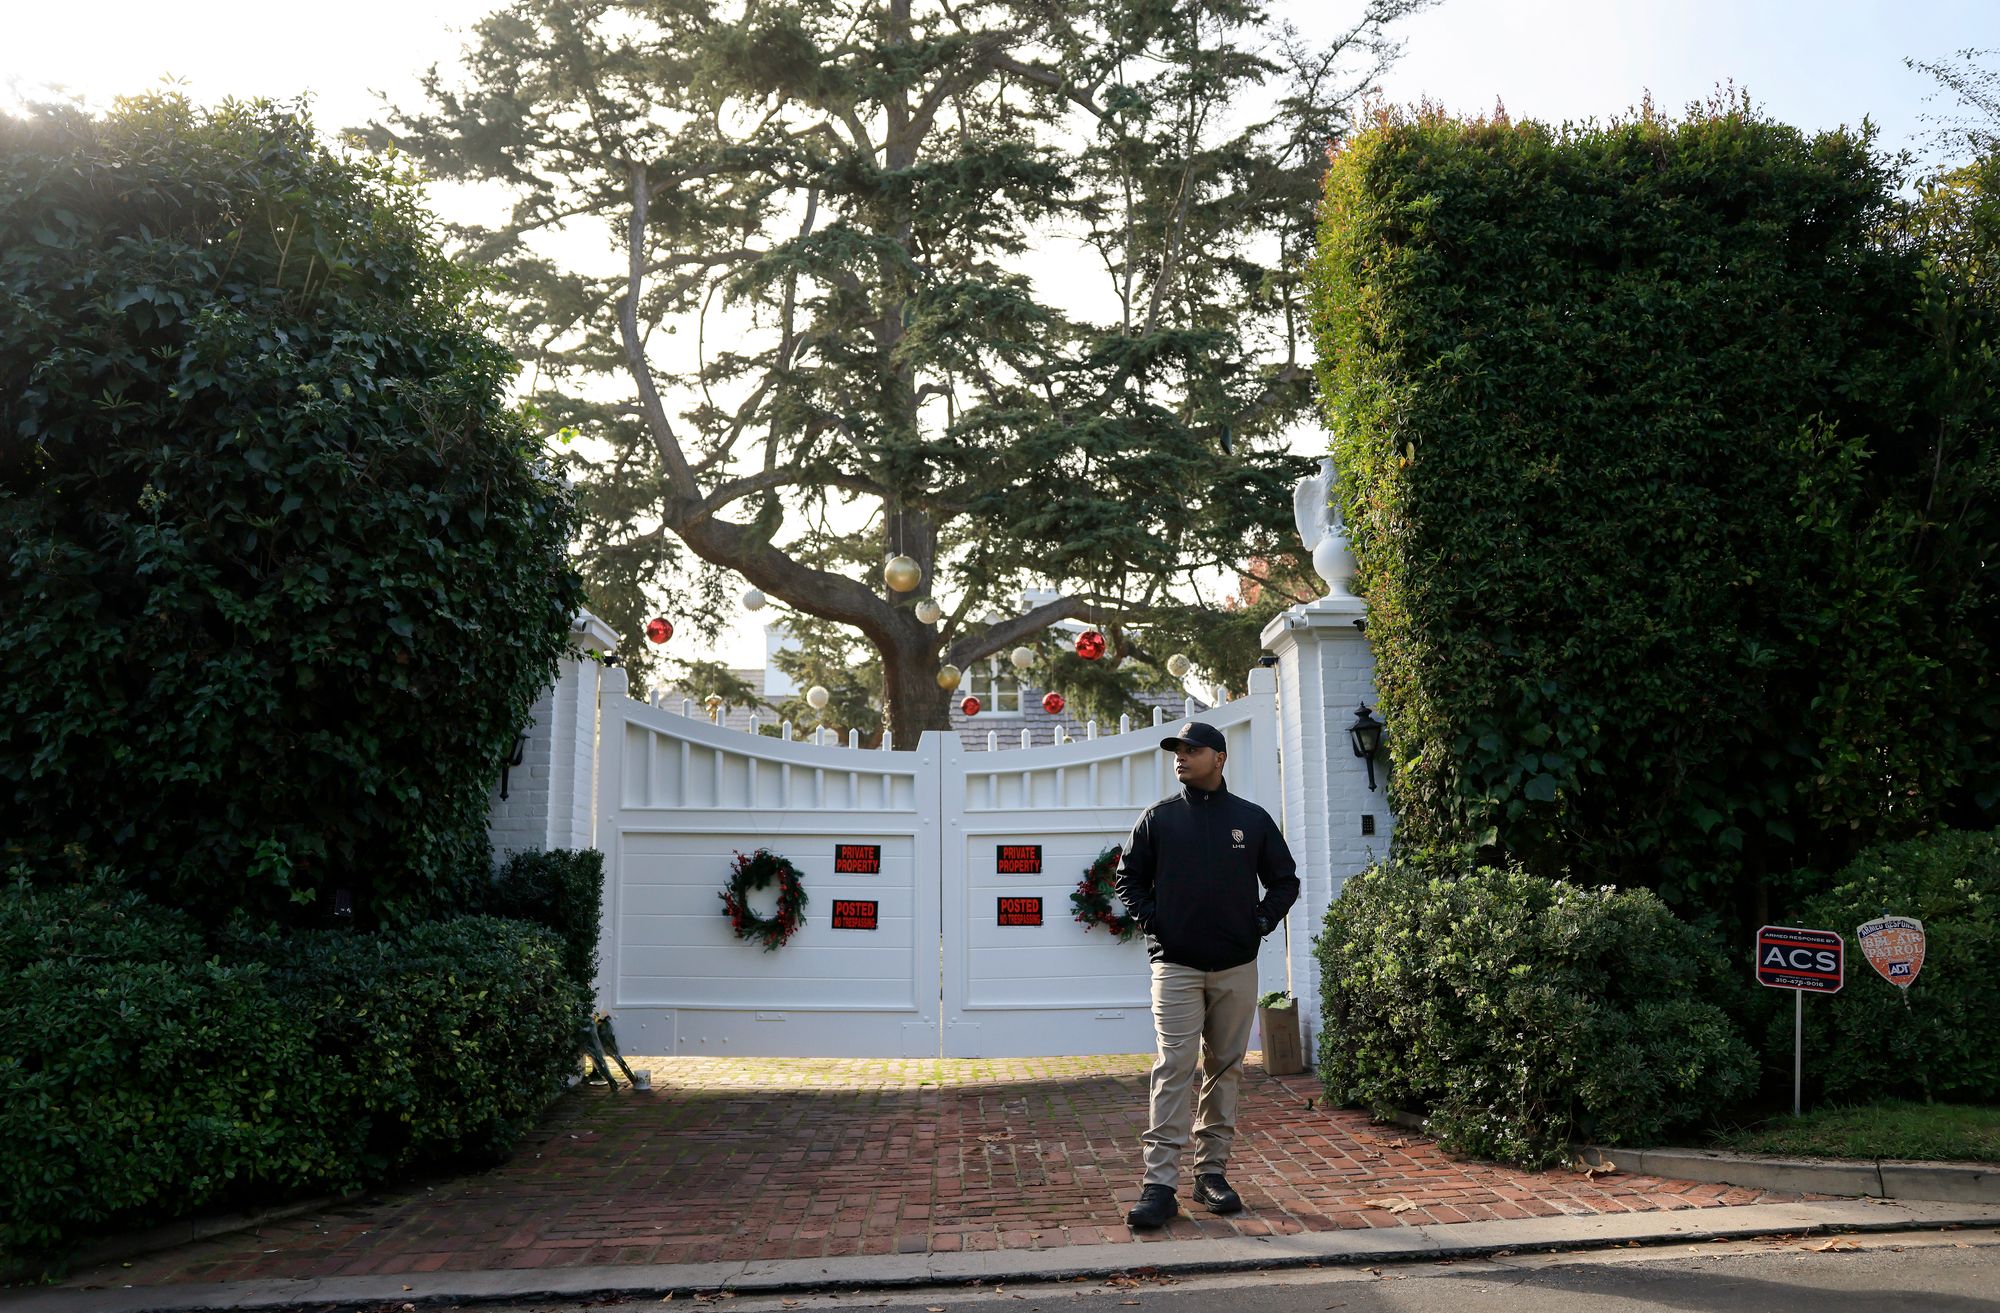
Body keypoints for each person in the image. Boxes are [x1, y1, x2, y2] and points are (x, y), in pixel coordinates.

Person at [1113, 719, 1299, 1229]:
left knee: (1225, 1068)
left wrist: (1259, 923)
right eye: (1176, 750)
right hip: (1175, 966)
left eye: (1192, 750)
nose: (1181, 757)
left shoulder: (1252, 820)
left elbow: (1285, 881)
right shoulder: (1159, 819)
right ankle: (1159, 1186)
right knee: (1173, 1066)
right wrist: (1156, 921)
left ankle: (1210, 1173)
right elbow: (1128, 878)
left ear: (1219, 757)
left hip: (1237, 965)